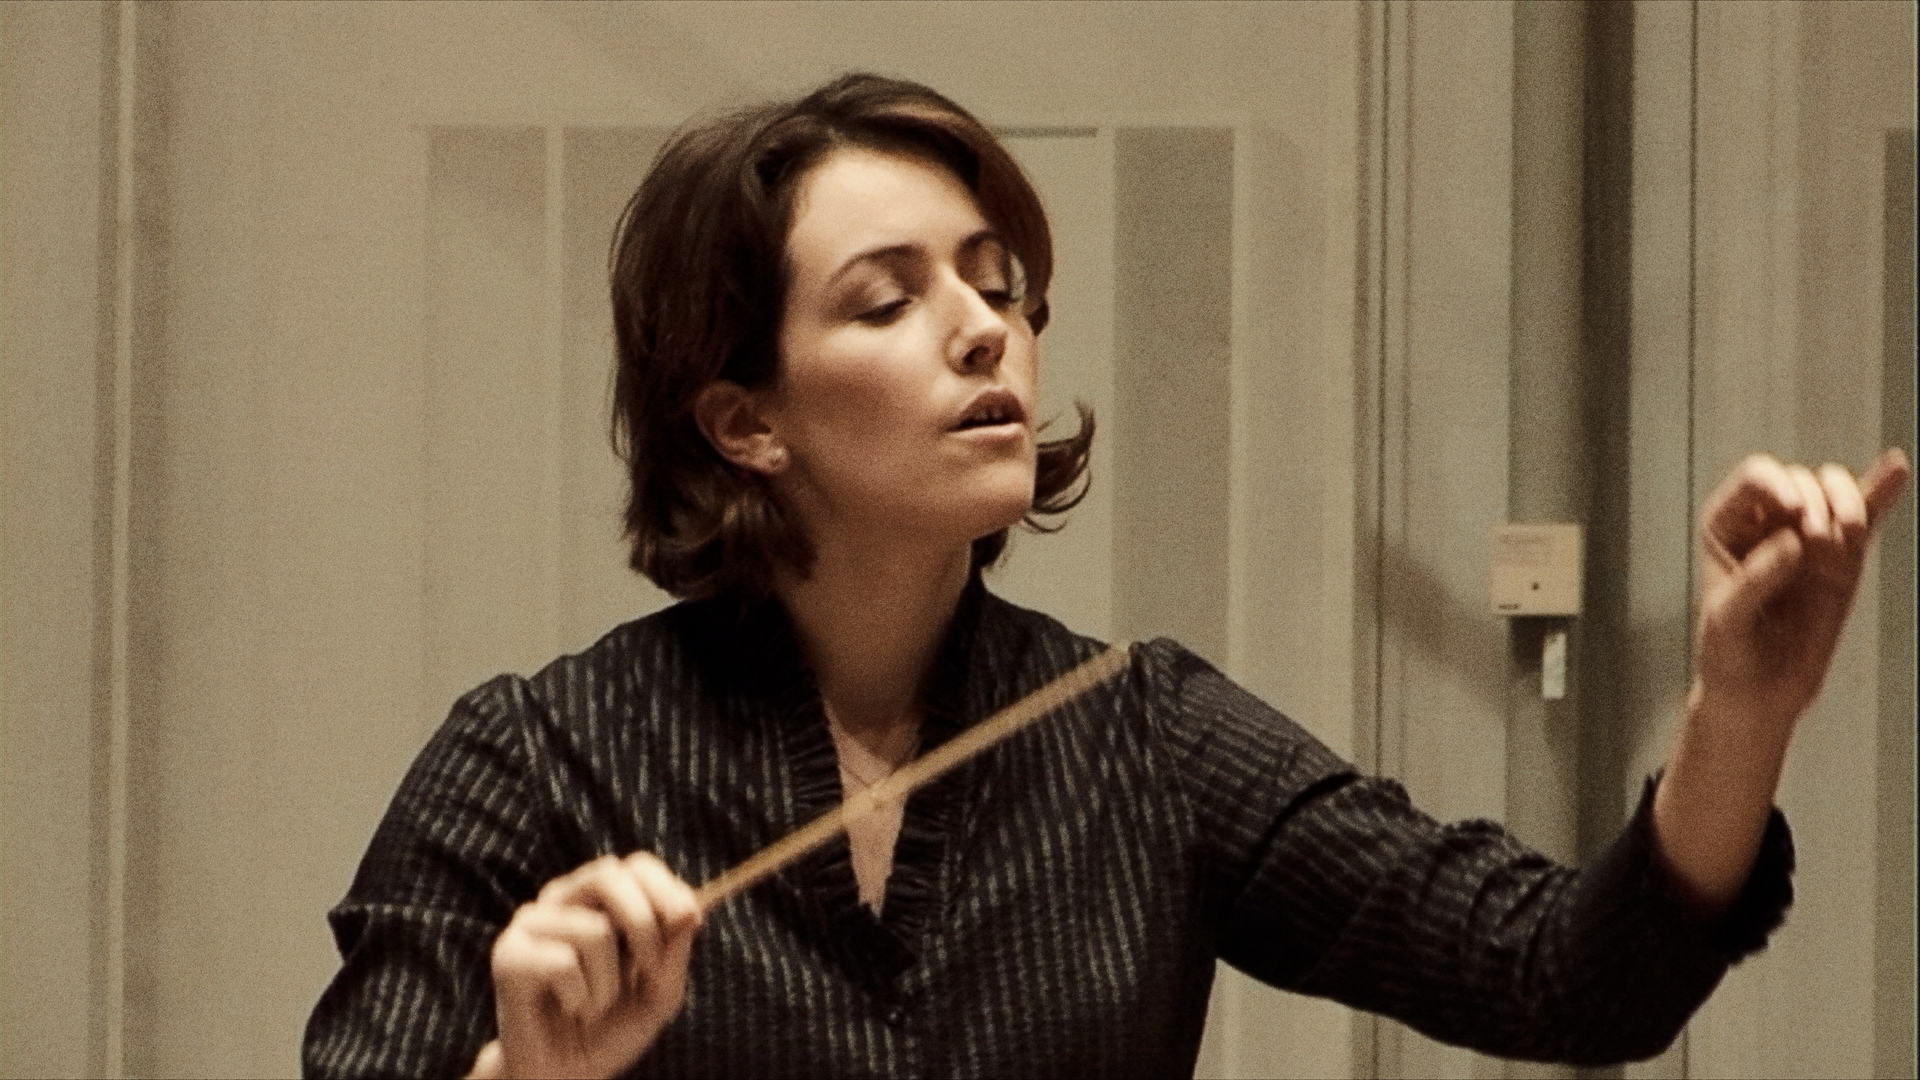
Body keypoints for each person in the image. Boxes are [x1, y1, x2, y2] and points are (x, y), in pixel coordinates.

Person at [302, 74, 1910, 1079]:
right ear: (746, 421)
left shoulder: (1141, 733)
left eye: (999, 283)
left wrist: (1742, 707)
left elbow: (1570, 980)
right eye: (887, 299)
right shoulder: (538, 758)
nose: (985, 329)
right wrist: (531, 1079)